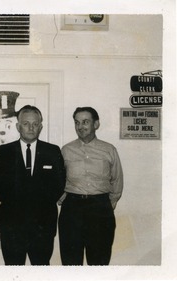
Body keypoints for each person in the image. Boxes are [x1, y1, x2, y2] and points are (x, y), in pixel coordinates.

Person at [0, 105, 66, 265]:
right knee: (13, 271)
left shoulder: (52, 151)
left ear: (40, 126)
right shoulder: (4, 152)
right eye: (26, 123)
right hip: (12, 226)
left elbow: (59, 185)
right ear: (18, 126)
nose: (31, 127)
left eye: (35, 123)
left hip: (43, 226)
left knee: (40, 271)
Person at [58, 106, 123, 265]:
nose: (80, 127)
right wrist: (63, 197)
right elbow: (57, 179)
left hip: (100, 209)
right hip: (72, 210)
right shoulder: (66, 150)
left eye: (85, 122)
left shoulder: (109, 150)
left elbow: (117, 179)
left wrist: (110, 201)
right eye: (77, 122)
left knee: (99, 261)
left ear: (96, 124)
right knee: (71, 262)